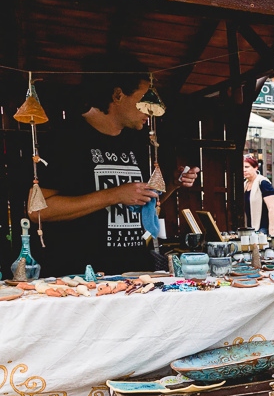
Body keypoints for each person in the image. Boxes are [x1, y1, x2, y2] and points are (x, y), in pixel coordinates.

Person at [34, 53, 198, 276]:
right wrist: (114, 195)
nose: (149, 109)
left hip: (135, 274)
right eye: (144, 99)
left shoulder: (138, 141)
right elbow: (38, 211)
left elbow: (143, 201)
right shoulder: (66, 139)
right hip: (80, 277)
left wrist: (172, 184)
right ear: (118, 95)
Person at [242, 156, 274, 237]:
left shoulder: (263, 182)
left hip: (262, 229)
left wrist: (271, 230)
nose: (244, 170)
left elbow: (271, 208)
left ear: (256, 167)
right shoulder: (245, 185)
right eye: (242, 167)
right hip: (249, 229)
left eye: (247, 167)